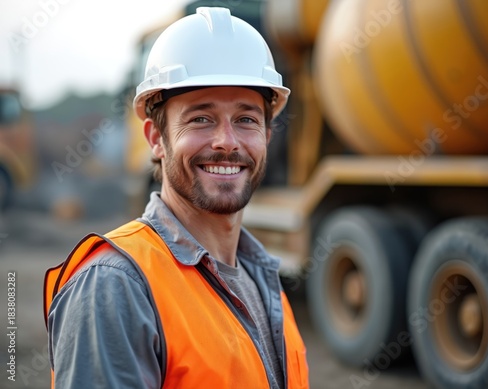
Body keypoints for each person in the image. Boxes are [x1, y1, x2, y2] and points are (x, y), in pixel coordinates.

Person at [44, 6, 309, 389]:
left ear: (266, 137)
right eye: (201, 118)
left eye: (246, 119)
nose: (227, 142)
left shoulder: (262, 277)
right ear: (155, 138)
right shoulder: (115, 287)